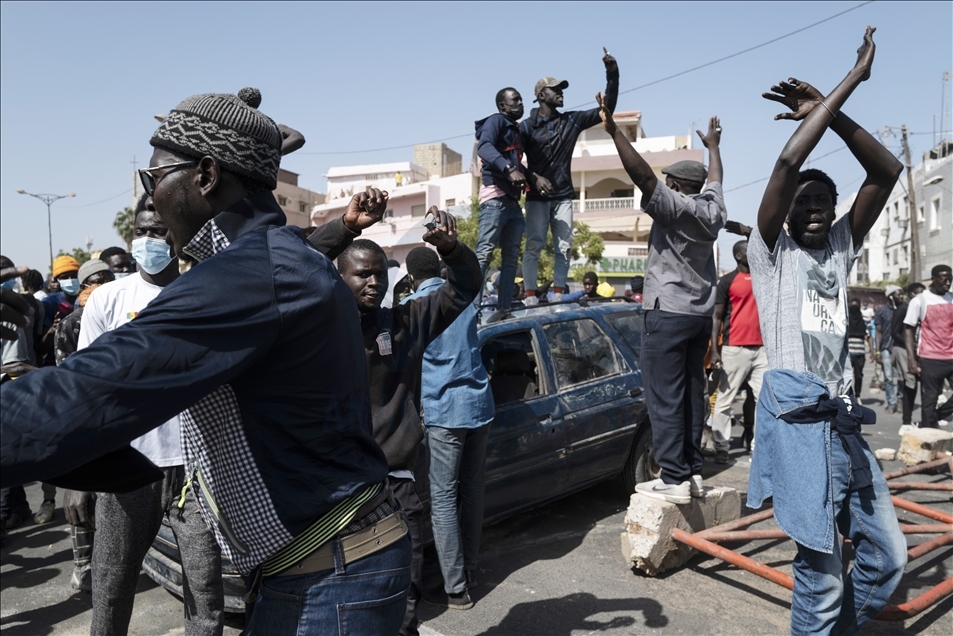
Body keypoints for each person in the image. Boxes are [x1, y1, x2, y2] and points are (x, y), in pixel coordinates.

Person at [1, 88, 410, 635]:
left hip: (329, 577)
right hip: (320, 566)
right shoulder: (274, 259)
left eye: (154, 180)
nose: (151, 199)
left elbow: (97, 389)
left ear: (207, 176)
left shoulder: (250, 274)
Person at [745, 27, 907, 634]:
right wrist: (850, 81)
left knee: (889, 556)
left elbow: (886, 169)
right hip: (795, 426)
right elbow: (788, 161)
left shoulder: (841, 246)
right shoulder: (770, 253)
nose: (815, 208)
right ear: (786, 212)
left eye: (826, 200)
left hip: (842, 422)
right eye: (805, 201)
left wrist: (831, 115)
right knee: (820, 573)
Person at [64, 195, 225, 634]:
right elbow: (88, 390)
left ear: (178, 235)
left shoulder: (205, 294)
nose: (148, 240)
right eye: (141, 231)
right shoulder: (108, 300)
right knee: (112, 587)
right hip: (128, 467)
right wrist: (79, 474)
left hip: (195, 470)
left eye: (158, 231)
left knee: (206, 593)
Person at [330, 209, 481, 635]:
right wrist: (345, 226)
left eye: (380, 274)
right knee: (344, 600)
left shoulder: (404, 324)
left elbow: (464, 288)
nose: (374, 282)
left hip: (395, 490)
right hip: (337, 493)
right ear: (339, 278)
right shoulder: (317, 329)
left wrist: (450, 249)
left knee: (403, 603)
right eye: (362, 274)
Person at [598, 91, 725, 503]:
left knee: (664, 396)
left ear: (673, 185)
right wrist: (714, 148)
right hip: (698, 316)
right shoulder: (713, 210)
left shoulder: (674, 206)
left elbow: (640, 175)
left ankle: (672, 478)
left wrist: (615, 132)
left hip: (667, 313)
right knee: (690, 393)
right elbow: (717, 179)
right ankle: (690, 471)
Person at [402, 246, 494, 612]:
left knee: (441, 500)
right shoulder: (464, 298)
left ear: (411, 277)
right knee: (471, 491)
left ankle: (455, 589)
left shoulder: (412, 306)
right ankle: (467, 573)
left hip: (444, 410)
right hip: (479, 404)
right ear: (439, 269)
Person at [521, 49, 619, 304]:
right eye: (556, 89)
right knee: (534, 244)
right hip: (536, 198)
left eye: (562, 89)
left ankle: (557, 294)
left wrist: (613, 74)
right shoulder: (526, 127)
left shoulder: (571, 122)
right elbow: (512, 161)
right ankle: (530, 294)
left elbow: (607, 109)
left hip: (563, 196)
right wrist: (534, 177)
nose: (561, 92)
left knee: (563, 247)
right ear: (542, 96)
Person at [709, 240, 766, 464]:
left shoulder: (765, 277)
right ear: (739, 256)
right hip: (734, 348)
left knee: (765, 402)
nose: (753, 254)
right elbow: (716, 318)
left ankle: (757, 447)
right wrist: (715, 350)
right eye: (747, 251)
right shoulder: (727, 281)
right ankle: (721, 447)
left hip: (763, 350)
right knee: (725, 400)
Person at [474, 87, 528, 312]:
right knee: (484, 253)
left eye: (521, 100)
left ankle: (504, 311)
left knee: (511, 260)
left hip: (513, 205)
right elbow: (484, 146)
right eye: (515, 100)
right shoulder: (496, 120)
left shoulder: (515, 130)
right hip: (495, 198)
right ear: (502, 105)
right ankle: (472, 310)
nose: (520, 103)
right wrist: (509, 169)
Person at [904, 264, 953, 428]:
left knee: (932, 408)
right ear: (933, 279)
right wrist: (911, 359)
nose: (948, 283)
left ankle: (937, 416)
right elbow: (908, 330)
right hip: (930, 358)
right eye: (944, 279)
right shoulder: (920, 301)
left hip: (951, 356)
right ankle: (928, 437)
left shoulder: (951, 298)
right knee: (929, 399)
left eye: (950, 279)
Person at [891, 282, 925, 427]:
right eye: (921, 294)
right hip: (904, 351)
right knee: (910, 387)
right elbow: (895, 332)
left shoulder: (922, 308)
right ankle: (906, 421)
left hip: (920, 351)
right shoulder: (903, 308)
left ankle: (928, 419)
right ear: (912, 295)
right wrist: (911, 344)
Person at [38, 254, 82, 364]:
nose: (70, 280)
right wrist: (51, 330)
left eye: (74, 276)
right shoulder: (50, 303)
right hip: (56, 364)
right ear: (57, 280)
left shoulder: (88, 299)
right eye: (65, 277)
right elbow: (42, 347)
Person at [873, 284, 903, 413]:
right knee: (888, 377)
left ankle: (901, 400)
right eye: (898, 294)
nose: (901, 296)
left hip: (901, 347)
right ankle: (891, 403)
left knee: (902, 377)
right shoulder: (882, 311)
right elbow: (878, 333)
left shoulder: (904, 309)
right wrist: (877, 350)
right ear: (890, 296)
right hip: (886, 347)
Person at [847, 297, 870, 397]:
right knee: (847, 376)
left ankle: (857, 395)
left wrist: (873, 352)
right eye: (852, 306)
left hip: (860, 353)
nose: (854, 308)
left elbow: (868, 336)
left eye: (856, 306)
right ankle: (846, 396)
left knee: (859, 376)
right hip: (847, 353)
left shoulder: (864, 320)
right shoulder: (845, 319)